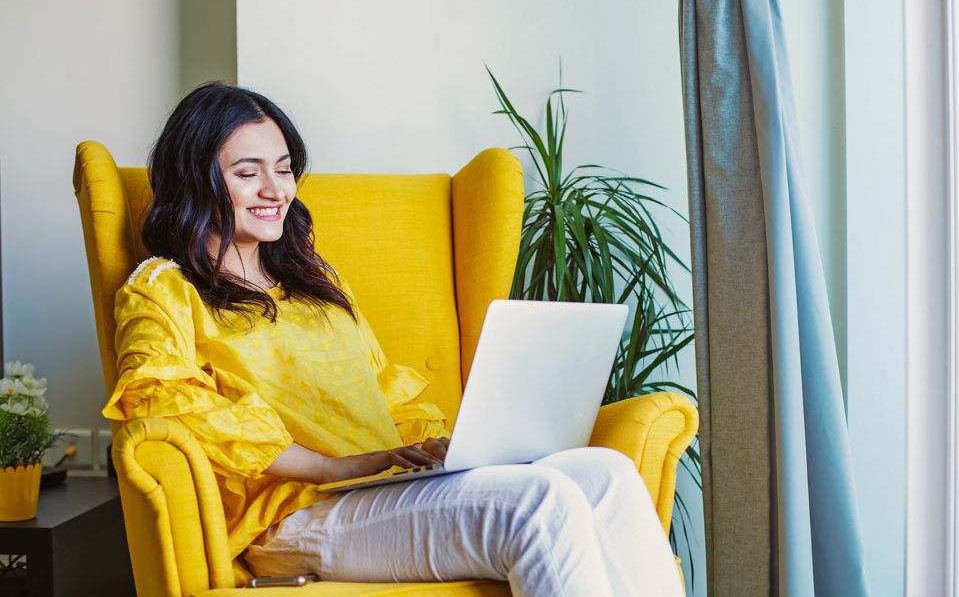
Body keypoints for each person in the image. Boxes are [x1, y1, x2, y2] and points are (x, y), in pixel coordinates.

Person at [102, 83, 683, 597]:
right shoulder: (163, 288)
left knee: (604, 473)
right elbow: (164, 404)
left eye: (283, 168)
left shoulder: (314, 283)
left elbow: (383, 393)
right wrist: (329, 467)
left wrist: (442, 451)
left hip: (382, 491)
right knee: (539, 504)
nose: (276, 189)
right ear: (196, 181)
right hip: (294, 515)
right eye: (247, 172)